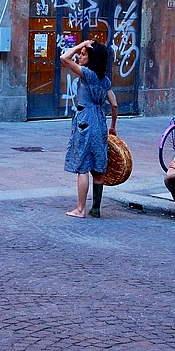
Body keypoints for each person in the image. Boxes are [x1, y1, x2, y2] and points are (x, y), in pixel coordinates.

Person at [61, 39, 118, 218]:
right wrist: (113, 126)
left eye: (84, 54)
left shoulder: (87, 74)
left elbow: (64, 57)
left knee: (83, 166)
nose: (79, 55)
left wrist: (79, 45)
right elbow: (114, 105)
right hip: (100, 121)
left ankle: (80, 209)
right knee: (98, 167)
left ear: (92, 59)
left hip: (85, 119)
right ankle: (96, 208)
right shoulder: (105, 80)